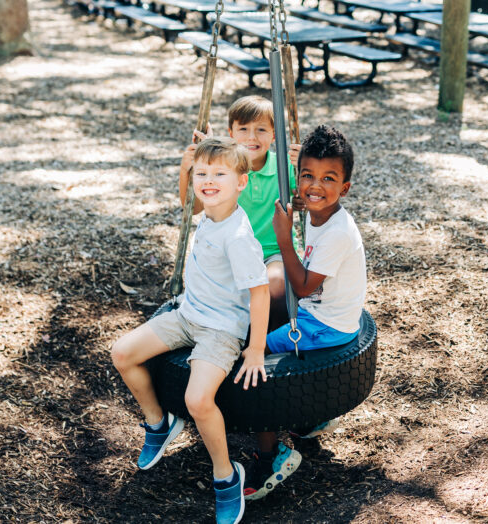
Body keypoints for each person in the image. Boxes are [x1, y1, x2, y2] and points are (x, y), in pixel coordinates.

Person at [112, 137, 270, 524]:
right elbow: (191, 198)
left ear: (241, 183)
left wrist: (256, 349)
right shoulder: (209, 212)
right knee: (122, 353)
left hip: (221, 329)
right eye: (202, 174)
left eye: (220, 174)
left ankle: (226, 475)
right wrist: (187, 166)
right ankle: (158, 423)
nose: (208, 180)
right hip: (188, 315)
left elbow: (261, 292)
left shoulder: (238, 238)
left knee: (198, 400)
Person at [241, 124, 367, 501]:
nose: (315, 186)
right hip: (325, 316)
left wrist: (283, 237)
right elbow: (311, 201)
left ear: (344, 188)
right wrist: (301, 204)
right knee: (268, 315)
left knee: (252, 358)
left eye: (329, 179)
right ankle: (308, 416)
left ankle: (272, 455)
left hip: (323, 326)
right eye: (308, 175)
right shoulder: (320, 212)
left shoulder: (338, 232)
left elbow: (303, 287)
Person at [179, 95, 300, 331]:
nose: (252, 137)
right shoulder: (223, 170)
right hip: (232, 252)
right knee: (224, 287)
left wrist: (305, 163)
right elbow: (192, 208)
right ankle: (231, 333)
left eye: (261, 129)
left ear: (274, 135)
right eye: (243, 129)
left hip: (273, 252)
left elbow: (309, 199)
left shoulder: (285, 166)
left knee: (272, 283)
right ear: (231, 133)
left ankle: (267, 341)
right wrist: (187, 170)